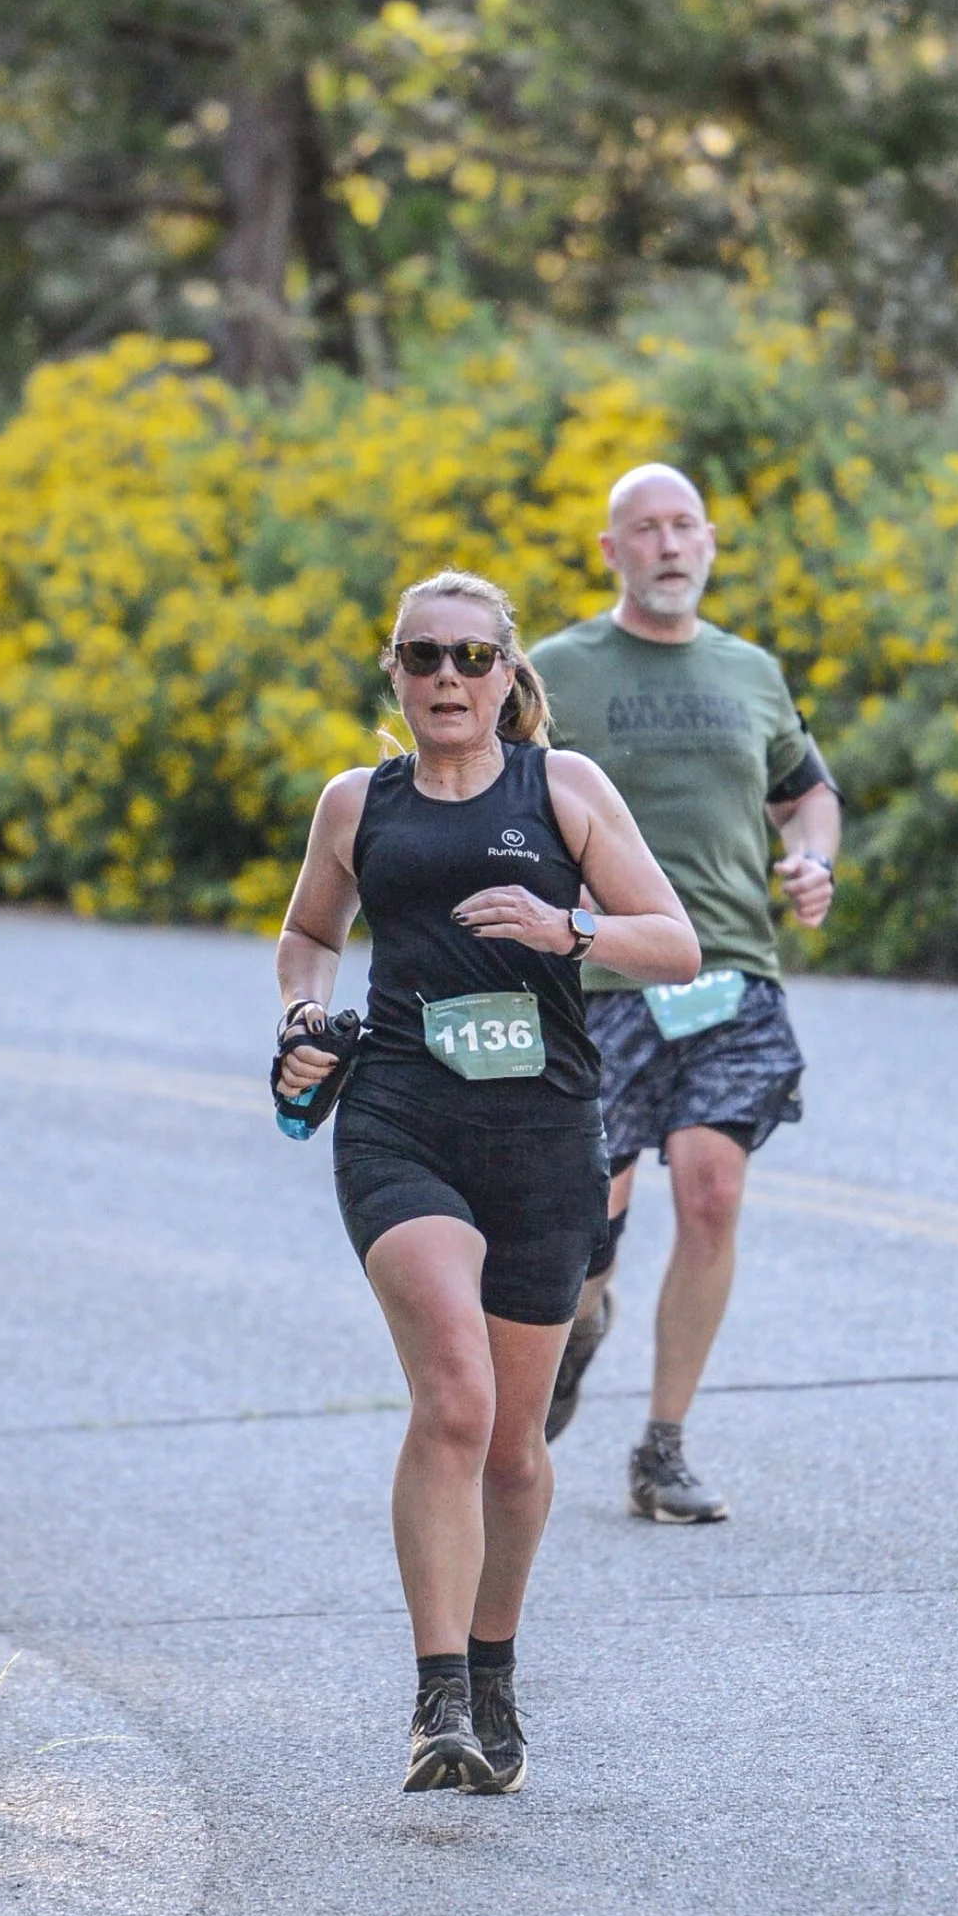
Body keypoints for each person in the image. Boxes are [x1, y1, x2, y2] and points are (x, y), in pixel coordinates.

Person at [274, 569, 698, 1794]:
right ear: (393, 673)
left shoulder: (562, 789)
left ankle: (495, 1667)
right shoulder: (358, 803)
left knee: (513, 1446)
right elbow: (310, 931)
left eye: (471, 658)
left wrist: (568, 931)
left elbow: (673, 942)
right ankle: (435, 1699)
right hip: (399, 1120)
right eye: (422, 658)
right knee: (452, 1397)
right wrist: (308, 1009)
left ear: (510, 676)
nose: (447, 680)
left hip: (544, 1136)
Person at [530, 464, 841, 1522]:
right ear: (610, 551)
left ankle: (662, 1447)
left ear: (708, 543)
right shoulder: (555, 669)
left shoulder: (750, 670)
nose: (667, 545)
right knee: (586, 1235)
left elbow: (808, 793)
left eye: (683, 526)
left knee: (713, 1190)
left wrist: (814, 862)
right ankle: (575, 1327)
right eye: (644, 529)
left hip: (729, 974)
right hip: (597, 980)